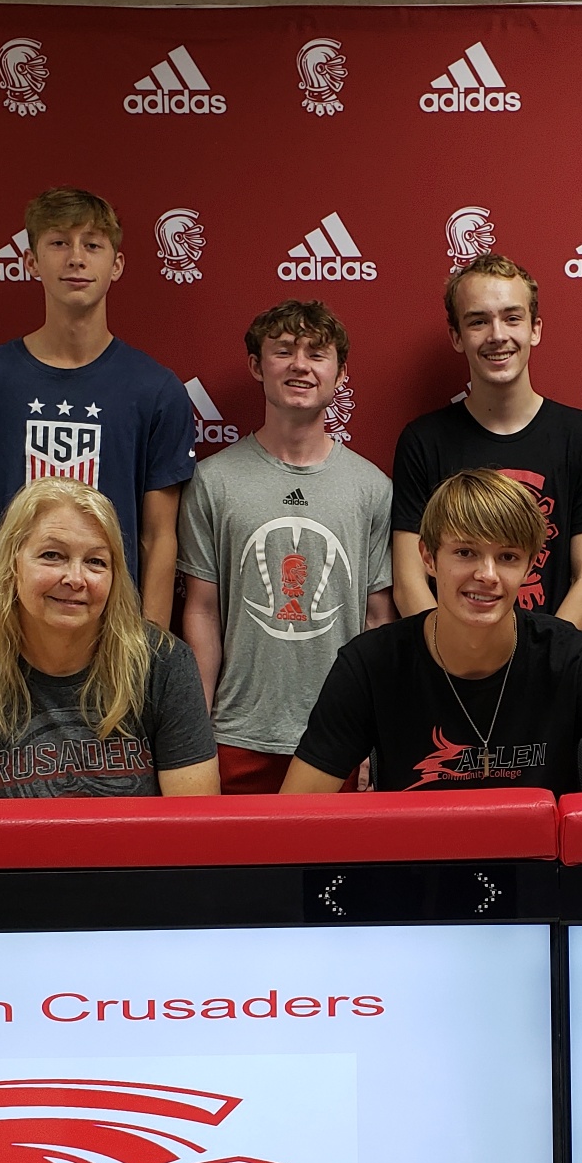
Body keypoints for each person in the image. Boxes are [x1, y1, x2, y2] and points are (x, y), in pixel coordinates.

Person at [284, 469, 582, 794]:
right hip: (418, 875)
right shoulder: (369, 664)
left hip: (541, 874)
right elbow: (294, 819)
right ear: (429, 558)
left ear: (530, 566)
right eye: (465, 552)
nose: (487, 575)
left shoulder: (578, 661)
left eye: (508, 557)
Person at [0, 187, 196, 628]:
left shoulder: (156, 389)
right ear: (31, 262)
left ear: (116, 265)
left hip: (113, 635)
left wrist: (151, 649)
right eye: (59, 242)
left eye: (92, 245)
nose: (76, 258)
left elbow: (158, 535)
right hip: (11, 631)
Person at [178, 300, 394, 794]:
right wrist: (198, 733)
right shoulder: (214, 481)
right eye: (283, 351)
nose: (300, 365)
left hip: (336, 735)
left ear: (340, 373)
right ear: (257, 365)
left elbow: (377, 619)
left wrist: (368, 735)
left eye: (317, 354)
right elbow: (203, 610)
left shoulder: (372, 488)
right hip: (236, 733)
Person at [0, 477, 218, 799]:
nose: (75, 578)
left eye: (96, 562)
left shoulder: (163, 665)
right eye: (52, 556)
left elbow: (195, 828)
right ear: (12, 566)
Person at [388, 254, 582, 628]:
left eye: (512, 318)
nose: (497, 335)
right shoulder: (423, 441)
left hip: (552, 669)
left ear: (535, 329)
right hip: (453, 670)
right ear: (456, 336)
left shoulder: (581, 437)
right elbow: (409, 583)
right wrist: (458, 658)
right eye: (478, 321)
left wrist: (541, 663)